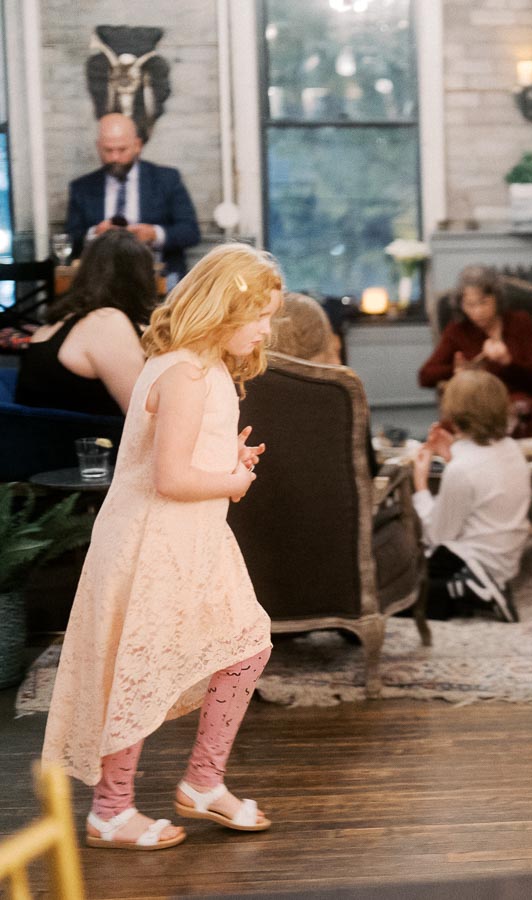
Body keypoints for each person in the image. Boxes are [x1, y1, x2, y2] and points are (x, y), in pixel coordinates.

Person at [41, 244, 283, 850]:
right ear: (224, 308)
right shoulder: (184, 373)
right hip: (156, 543)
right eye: (259, 315)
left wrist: (228, 457)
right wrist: (233, 481)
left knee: (246, 645)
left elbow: (176, 455)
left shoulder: (205, 368)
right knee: (142, 670)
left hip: (192, 539)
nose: (266, 329)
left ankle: (203, 782)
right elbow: (169, 479)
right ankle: (111, 811)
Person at [411, 369, 532, 624]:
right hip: (505, 558)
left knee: (402, 595)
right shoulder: (512, 449)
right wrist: (449, 453)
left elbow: (437, 535)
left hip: (474, 560)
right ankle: (469, 590)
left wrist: (420, 485)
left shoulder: (462, 468)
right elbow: (483, 483)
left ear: (453, 414)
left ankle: (475, 590)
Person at [15, 229, 156, 415]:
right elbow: (144, 413)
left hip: (37, 438)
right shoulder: (106, 322)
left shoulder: (63, 319)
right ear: (141, 280)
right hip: (85, 441)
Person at [416, 266, 532, 436]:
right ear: (461, 305)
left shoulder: (520, 322)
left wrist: (508, 362)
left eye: (484, 302)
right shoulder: (457, 330)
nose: (478, 311)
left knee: (522, 408)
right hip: (476, 406)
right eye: (470, 305)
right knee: (449, 427)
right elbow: (425, 376)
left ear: (497, 299)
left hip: (518, 401)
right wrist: (458, 370)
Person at [65, 113, 201, 282]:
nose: (115, 157)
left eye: (122, 150)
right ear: (98, 147)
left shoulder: (167, 179)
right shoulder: (82, 187)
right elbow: (70, 239)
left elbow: (190, 232)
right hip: (101, 280)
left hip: (157, 276)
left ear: (137, 145)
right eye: (108, 150)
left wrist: (153, 234)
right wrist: (95, 234)